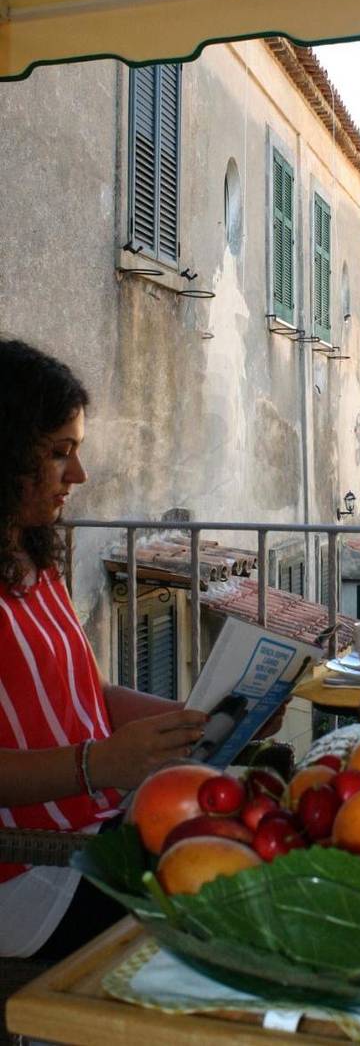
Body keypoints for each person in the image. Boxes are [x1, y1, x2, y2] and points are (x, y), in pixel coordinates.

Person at [0, 339, 208, 959]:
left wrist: (197, 720)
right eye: (58, 453)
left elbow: (90, 694)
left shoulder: (33, 556)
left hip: (92, 830)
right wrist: (98, 765)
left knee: (250, 824)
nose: (79, 475)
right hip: (26, 871)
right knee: (222, 892)